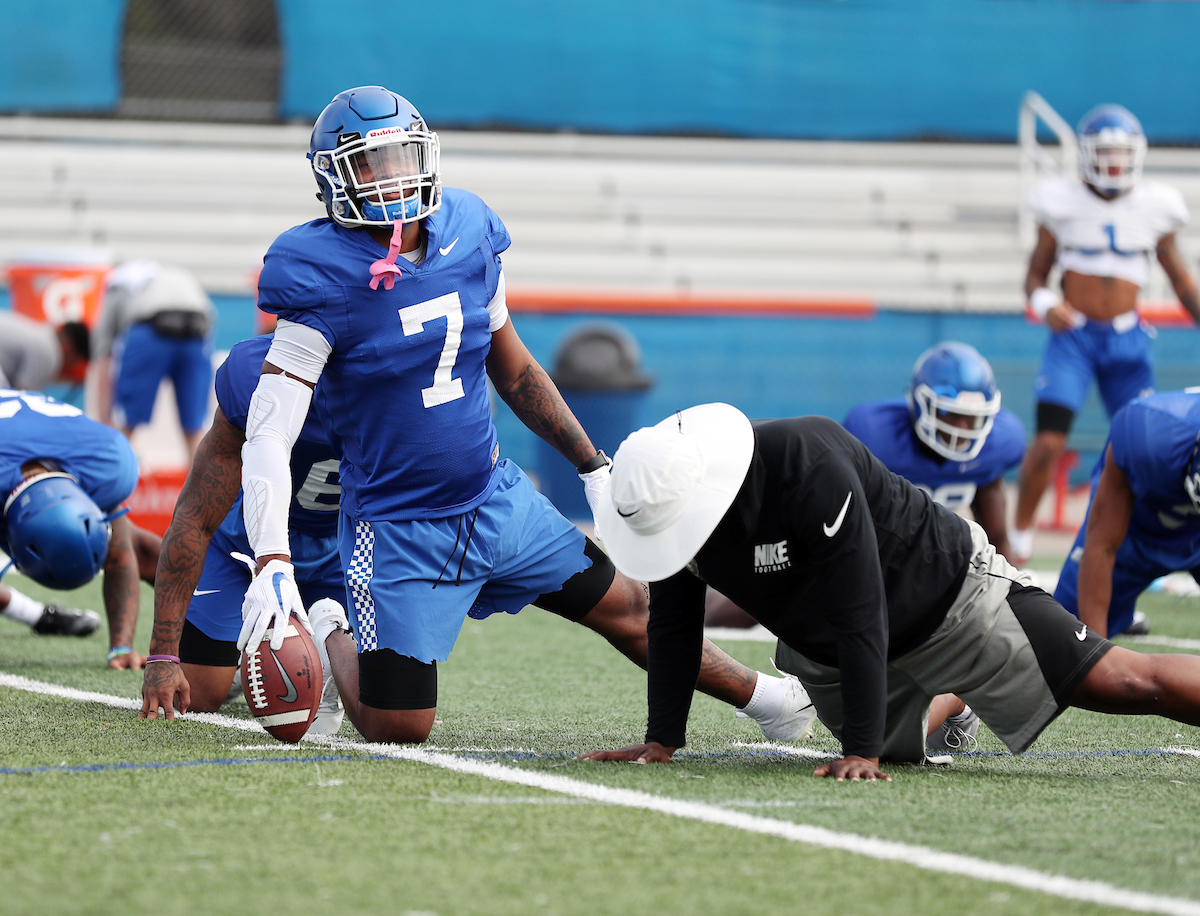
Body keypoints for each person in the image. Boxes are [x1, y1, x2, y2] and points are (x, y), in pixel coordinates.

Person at [209, 86, 812, 745]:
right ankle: (331, 626)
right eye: (368, 165)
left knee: (632, 607)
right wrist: (272, 562)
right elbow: (270, 433)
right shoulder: (317, 269)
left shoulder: (468, 231)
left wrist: (592, 466)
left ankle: (774, 704)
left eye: (400, 158)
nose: (390, 180)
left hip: (494, 500)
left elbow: (516, 369)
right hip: (398, 528)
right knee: (398, 727)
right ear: (332, 178)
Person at [582, 403, 1200, 781]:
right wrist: (662, 738)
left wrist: (859, 750)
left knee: (1123, 681)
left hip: (954, 599)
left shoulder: (807, 462)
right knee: (898, 753)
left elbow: (860, 604)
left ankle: (962, 684)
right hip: (830, 651)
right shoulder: (661, 504)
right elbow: (672, 622)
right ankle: (958, 700)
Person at [1011, 104, 1200, 563]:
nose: (1112, 163)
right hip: (1074, 338)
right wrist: (1044, 304)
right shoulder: (1059, 200)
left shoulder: (1156, 205)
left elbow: (1180, 279)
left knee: (1140, 449)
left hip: (1128, 341)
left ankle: (1146, 545)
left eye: (1120, 153)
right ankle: (1015, 542)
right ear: (1086, 155)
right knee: (1049, 442)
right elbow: (1034, 275)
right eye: (1104, 153)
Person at [137, 334, 346, 732]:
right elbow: (195, 515)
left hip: (345, 547)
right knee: (196, 697)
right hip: (244, 544)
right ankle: (246, 664)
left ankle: (320, 633)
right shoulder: (256, 372)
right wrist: (162, 655)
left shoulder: (401, 376)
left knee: (391, 711)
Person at [0, 388, 161, 668]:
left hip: (48, 437)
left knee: (139, 546)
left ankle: (222, 610)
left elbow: (119, 551)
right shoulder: (107, 462)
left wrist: (120, 646)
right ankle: (35, 614)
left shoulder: (107, 463)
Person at [1054, 390, 1200, 640]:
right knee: (1064, 640)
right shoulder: (1149, 436)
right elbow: (1102, 545)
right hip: (1134, 530)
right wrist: (1095, 660)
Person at [92, 260, 216, 463]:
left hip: (150, 332)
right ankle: (203, 493)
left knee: (126, 424)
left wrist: (106, 422)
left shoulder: (118, 284)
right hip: (198, 333)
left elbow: (104, 356)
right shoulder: (175, 274)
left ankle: (109, 479)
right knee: (195, 428)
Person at [0, 311, 90, 392]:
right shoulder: (48, 353)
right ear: (69, 346)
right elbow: (21, 399)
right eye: (77, 360)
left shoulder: (42, 336)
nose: (73, 365)